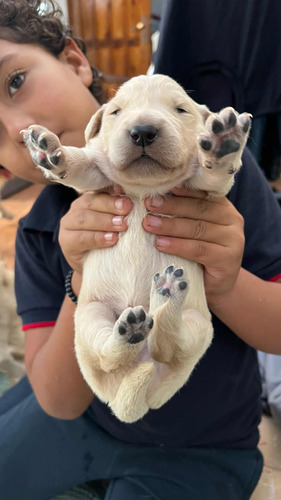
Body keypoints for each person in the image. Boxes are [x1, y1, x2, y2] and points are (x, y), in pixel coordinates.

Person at [0, 1, 281, 499]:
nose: (19, 127)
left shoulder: (222, 178)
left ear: (73, 60)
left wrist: (227, 283)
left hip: (205, 443)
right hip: (87, 418)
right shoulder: (37, 233)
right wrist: (80, 282)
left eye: (15, 80)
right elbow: (58, 400)